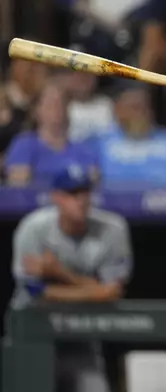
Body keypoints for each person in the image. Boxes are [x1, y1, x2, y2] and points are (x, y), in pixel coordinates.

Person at [8, 163, 133, 392]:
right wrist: (95, 291)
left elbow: (113, 291)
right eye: (72, 193)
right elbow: (35, 293)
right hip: (33, 333)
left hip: (80, 337)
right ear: (56, 197)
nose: (81, 200)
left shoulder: (113, 228)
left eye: (85, 192)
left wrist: (58, 273)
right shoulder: (33, 228)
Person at [3, 82, 98, 187]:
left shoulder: (83, 149)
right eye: (50, 104)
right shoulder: (23, 145)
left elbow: (93, 187)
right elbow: (18, 191)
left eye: (61, 103)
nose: (57, 109)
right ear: (36, 110)